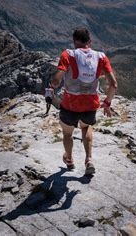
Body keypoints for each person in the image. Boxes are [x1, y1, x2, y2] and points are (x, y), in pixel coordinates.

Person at [49, 28, 118, 176]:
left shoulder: (68, 54)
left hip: (70, 104)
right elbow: (114, 85)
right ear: (89, 42)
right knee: (86, 129)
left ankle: (69, 159)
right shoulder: (101, 57)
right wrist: (107, 103)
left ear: (74, 41)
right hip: (90, 103)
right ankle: (89, 160)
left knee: (67, 134)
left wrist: (52, 86)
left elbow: (56, 81)